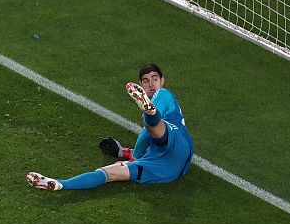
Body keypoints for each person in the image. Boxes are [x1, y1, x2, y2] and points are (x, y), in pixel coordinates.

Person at [27, 64, 193, 191]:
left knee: (154, 127)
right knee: (109, 172)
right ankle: (59, 184)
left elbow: (145, 135)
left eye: (155, 79)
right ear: (141, 86)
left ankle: (151, 113)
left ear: (162, 81)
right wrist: (123, 152)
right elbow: (147, 145)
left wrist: (133, 159)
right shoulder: (158, 97)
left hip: (175, 142)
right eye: (146, 81)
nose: (151, 84)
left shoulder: (164, 94)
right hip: (170, 166)